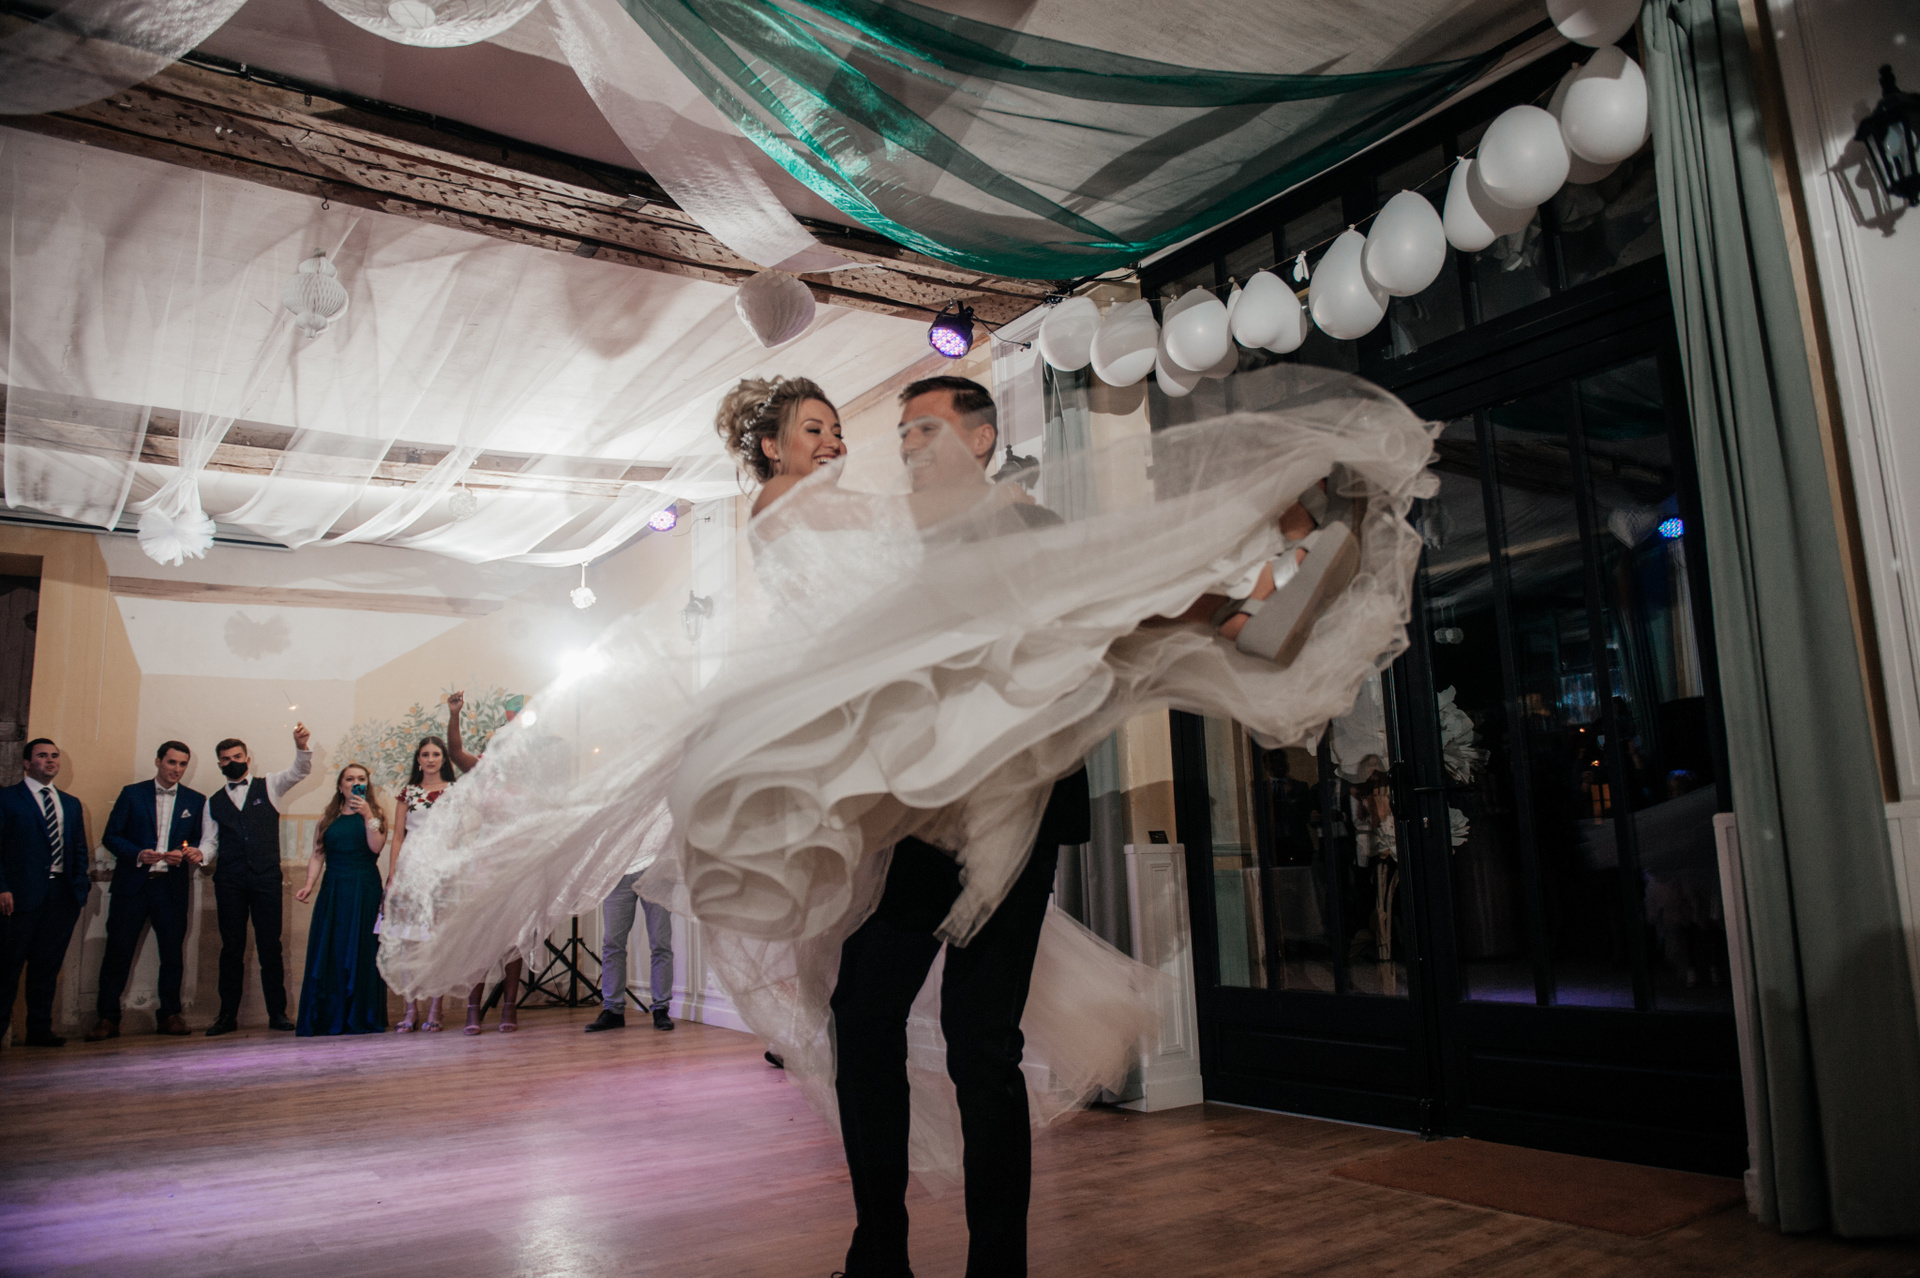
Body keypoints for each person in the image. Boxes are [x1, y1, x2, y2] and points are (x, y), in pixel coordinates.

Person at [829, 376, 1090, 1278]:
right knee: (862, 1011)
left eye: (925, 428)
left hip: (1013, 813)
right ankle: (880, 1254)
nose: (907, 444)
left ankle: (998, 1269)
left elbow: (1068, 661)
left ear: (981, 440)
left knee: (982, 1044)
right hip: (919, 815)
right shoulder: (902, 546)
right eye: (901, 432)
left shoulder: (1034, 529)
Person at [87, 741, 207, 1040]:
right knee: (118, 952)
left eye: (182, 764)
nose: (177, 769)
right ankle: (107, 1018)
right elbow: (111, 836)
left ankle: (170, 1015)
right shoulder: (132, 793)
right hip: (133, 886)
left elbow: (195, 841)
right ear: (158, 762)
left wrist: (184, 852)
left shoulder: (195, 800)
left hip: (171, 887)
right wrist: (138, 854)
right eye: (171, 762)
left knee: (172, 954)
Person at [204, 724, 312, 1037]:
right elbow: (209, 842)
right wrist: (200, 855)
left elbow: (299, 771)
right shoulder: (212, 802)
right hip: (229, 881)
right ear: (220, 764)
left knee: (270, 947)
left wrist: (301, 745)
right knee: (231, 948)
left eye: (237, 756)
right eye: (226, 759)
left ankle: (277, 1013)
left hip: (266, 879)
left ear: (247, 759)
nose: (232, 762)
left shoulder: (270, 786)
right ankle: (227, 1016)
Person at [0, 739, 91, 1048]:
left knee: (47, 967)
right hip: (19, 897)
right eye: (42, 756)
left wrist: (79, 889)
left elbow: (79, 849)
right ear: (26, 763)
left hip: (60, 896)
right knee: (8, 967)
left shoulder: (70, 803)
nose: (50, 760)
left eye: (54, 756)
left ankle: (39, 1029)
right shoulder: (8, 799)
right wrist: (2, 887)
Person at [293, 763, 389, 1036]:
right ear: (340, 785)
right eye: (350, 779)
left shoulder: (376, 815)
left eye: (361, 779)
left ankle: (361, 1015)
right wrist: (309, 884)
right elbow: (317, 854)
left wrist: (367, 814)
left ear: (367, 785)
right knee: (332, 947)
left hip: (364, 887)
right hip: (334, 889)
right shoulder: (328, 818)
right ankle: (328, 1014)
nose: (355, 783)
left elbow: (376, 847)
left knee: (362, 947)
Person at [445, 691, 522, 1033]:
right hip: (486, 861)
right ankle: (473, 1009)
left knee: (513, 939)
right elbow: (455, 752)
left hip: (518, 861)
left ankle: (509, 1008)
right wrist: (455, 714)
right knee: (480, 935)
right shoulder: (485, 771)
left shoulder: (532, 778)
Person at [388, 737, 459, 1032]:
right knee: (408, 942)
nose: (430, 759)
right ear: (418, 759)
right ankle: (410, 1009)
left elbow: (458, 834)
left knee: (436, 940)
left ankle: (436, 1009)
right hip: (410, 869)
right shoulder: (408, 793)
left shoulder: (455, 791)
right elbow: (398, 837)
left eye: (436, 754)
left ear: (444, 759)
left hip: (441, 869)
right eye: (425, 754)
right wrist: (393, 874)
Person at [584, 870, 675, 1032]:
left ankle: (661, 1009)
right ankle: (613, 1010)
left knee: (660, 943)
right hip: (619, 872)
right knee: (612, 944)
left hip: (654, 869)